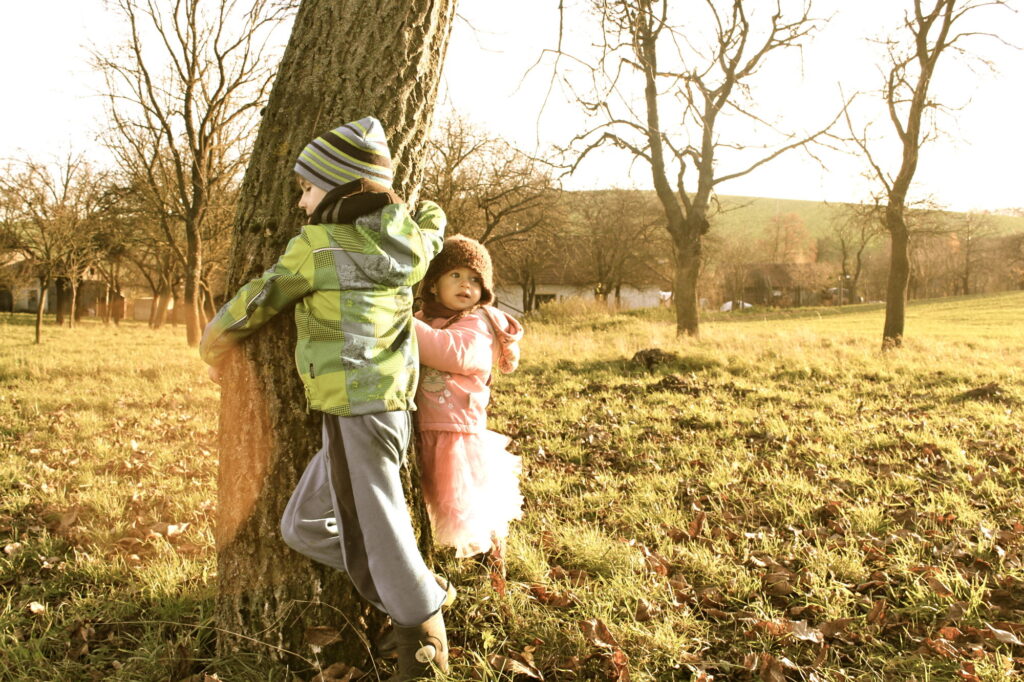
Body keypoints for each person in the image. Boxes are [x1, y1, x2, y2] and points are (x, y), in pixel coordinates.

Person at [199, 117, 450, 681]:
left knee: (380, 524)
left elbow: (260, 298)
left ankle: (423, 638)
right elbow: (431, 229)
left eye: (308, 189)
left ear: (339, 188)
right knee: (304, 525)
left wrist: (213, 343)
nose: (301, 203)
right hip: (375, 406)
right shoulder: (407, 239)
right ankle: (415, 584)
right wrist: (429, 212)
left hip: (360, 408)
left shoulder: (317, 247)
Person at [412, 235, 524, 570]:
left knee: (466, 508)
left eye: (475, 280)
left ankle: (491, 567)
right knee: (429, 503)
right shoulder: (424, 319)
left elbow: (451, 352)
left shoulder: (478, 323)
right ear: (433, 285)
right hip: (423, 427)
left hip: (456, 433)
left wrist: (398, 321)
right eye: (456, 276)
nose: (466, 285)